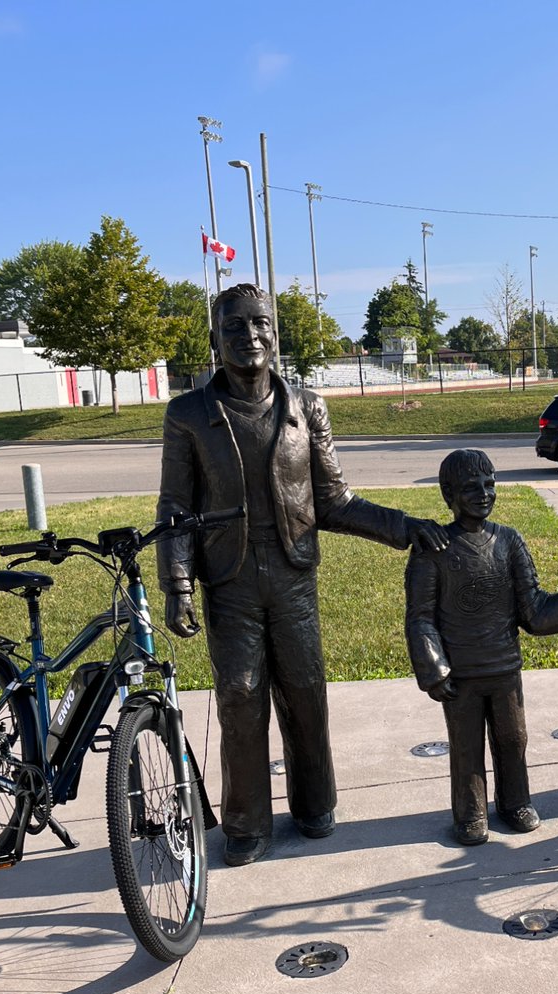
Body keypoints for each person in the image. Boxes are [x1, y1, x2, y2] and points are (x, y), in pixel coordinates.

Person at [156, 283, 447, 866]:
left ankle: (315, 803)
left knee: (306, 692)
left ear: (275, 332)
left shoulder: (306, 407)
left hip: (291, 577)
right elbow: (174, 510)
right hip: (230, 580)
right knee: (240, 696)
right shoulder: (188, 414)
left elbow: (334, 500)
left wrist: (403, 527)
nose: (249, 335)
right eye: (234, 325)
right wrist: (178, 583)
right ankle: (246, 822)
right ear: (216, 337)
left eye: (260, 323)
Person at [405, 449, 558, 845]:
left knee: (513, 740)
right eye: (471, 486)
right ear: (448, 493)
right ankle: (471, 812)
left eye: (489, 483)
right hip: (461, 674)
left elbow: (536, 611)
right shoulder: (432, 549)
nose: (483, 492)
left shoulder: (509, 541)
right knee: (466, 747)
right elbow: (420, 617)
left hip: (505, 669)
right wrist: (433, 667)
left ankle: (515, 802)